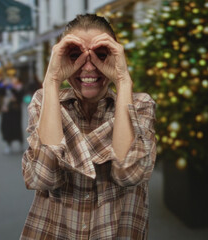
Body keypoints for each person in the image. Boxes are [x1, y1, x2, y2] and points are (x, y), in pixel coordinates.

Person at [21, 14, 157, 239]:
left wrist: (123, 79)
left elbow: (129, 173)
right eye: (75, 55)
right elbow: (42, 178)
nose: (88, 67)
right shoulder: (44, 100)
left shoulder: (140, 104)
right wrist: (51, 80)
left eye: (101, 55)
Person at [0, 75, 25, 154]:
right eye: (12, 79)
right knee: (6, 127)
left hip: (15, 111)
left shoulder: (19, 87)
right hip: (7, 111)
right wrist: (3, 85)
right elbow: (0, 91)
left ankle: (20, 144)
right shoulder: (8, 87)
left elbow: (18, 96)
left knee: (16, 127)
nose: (13, 80)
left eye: (14, 78)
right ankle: (8, 144)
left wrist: (10, 87)